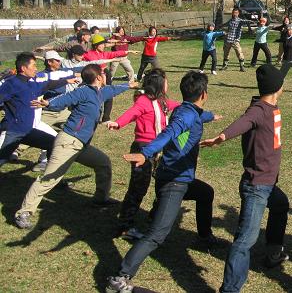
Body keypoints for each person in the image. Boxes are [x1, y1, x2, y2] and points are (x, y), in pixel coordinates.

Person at [106, 71, 222, 292]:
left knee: (205, 193)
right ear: (204, 94)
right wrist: (146, 152)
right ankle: (120, 277)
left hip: (179, 177)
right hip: (174, 182)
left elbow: (198, 115)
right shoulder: (185, 116)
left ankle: (205, 237)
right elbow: (169, 132)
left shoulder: (187, 110)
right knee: (157, 234)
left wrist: (211, 116)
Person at [200, 64, 291, 292]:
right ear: (278, 86)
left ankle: (273, 253)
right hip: (257, 185)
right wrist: (222, 136)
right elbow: (245, 121)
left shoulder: (271, 106)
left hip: (269, 183)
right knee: (244, 241)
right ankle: (230, 289)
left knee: (280, 205)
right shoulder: (259, 110)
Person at [15, 64, 137, 229]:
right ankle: (23, 212)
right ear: (99, 77)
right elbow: (65, 99)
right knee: (50, 178)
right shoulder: (84, 91)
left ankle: (101, 199)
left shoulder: (99, 92)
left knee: (103, 163)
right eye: (103, 73)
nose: (106, 76)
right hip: (68, 142)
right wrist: (48, 103)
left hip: (81, 144)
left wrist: (128, 86)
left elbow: (112, 90)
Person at [105, 69, 181, 240]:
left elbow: (177, 106)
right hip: (143, 149)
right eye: (166, 81)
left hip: (160, 148)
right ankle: (125, 226)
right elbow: (132, 113)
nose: (168, 84)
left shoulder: (162, 101)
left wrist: (193, 107)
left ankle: (154, 217)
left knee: (165, 184)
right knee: (138, 188)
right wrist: (118, 123)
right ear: (159, 85)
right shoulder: (144, 101)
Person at [0, 53, 73, 168]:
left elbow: (47, 85)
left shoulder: (31, 83)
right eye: (33, 65)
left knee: (53, 143)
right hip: (13, 131)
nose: (36, 68)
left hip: (28, 131)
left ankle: (48, 179)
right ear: (24, 68)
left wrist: (66, 81)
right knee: (2, 158)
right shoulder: (11, 84)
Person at [83, 34, 137, 122]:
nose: (103, 46)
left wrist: (128, 51)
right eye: (101, 44)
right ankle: (94, 117)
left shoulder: (103, 53)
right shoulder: (89, 54)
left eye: (104, 44)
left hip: (105, 75)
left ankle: (106, 118)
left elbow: (114, 53)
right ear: (96, 45)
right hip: (95, 77)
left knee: (109, 94)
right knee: (96, 97)